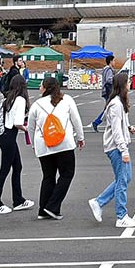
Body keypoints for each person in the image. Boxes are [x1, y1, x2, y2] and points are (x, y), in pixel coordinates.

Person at [29, 76, 84, 219]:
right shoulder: (67, 100)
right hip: (63, 142)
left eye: (41, 86)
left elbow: (31, 126)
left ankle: (43, 210)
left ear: (45, 88)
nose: (39, 88)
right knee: (67, 174)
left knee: (48, 176)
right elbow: (76, 119)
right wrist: (80, 137)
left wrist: (33, 144)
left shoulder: (37, 104)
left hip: (43, 144)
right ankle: (52, 207)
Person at [88, 73, 135, 227]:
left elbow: (111, 121)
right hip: (116, 147)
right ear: (123, 85)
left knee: (124, 178)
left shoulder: (118, 103)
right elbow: (115, 130)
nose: (129, 84)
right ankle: (121, 216)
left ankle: (99, 201)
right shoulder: (116, 104)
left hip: (117, 146)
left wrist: (128, 127)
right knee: (123, 181)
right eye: (128, 82)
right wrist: (123, 151)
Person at [0, 74, 35, 214]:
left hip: (5, 136)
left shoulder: (10, 97)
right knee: (5, 170)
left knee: (17, 167)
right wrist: (27, 129)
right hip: (9, 136)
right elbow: (18, 122)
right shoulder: (20, 99)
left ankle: (18, 200)